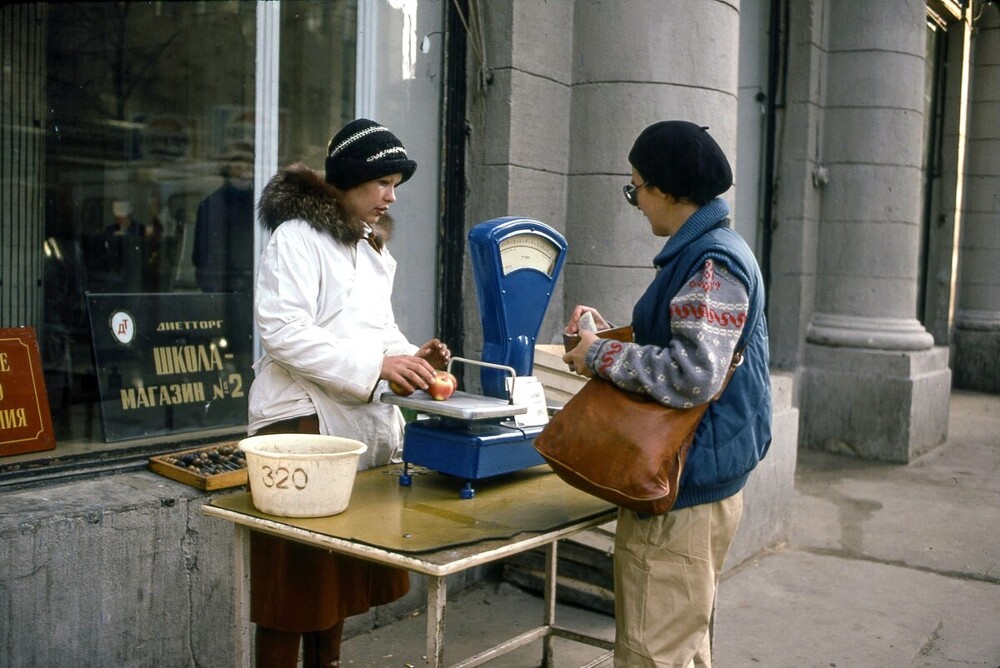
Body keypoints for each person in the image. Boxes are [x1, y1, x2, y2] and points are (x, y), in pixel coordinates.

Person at [562, 120, 772, 667]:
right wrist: (611, 339)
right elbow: (693, 347)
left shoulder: (711, 262)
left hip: (685, 486)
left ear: (670, 192)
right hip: (700, 475)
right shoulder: (710, 251)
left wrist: (599, 356)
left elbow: (693, 372)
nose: (635, 202)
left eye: (637, 188)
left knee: (652, 653)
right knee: (683, 646)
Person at [247, 118, 451, 668]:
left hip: (349, 428)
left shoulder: (369, 250)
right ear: (349, 179)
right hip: (299, 427)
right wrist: (378, 365)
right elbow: (284, 332)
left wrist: (412, 358)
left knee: (332, 576)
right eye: (381, 182)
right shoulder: (296, 237)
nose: (389, 196)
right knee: (293, 587)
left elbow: (376, 332)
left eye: (395, 185)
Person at [191, 142, 256, 293]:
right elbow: (200, 257)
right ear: (226, 170)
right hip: (220, 292)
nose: (243, 174)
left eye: (248, 168)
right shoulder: (210, 205)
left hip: (254, 290)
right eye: (237, 168)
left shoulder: (262, 204)